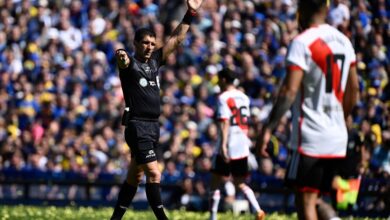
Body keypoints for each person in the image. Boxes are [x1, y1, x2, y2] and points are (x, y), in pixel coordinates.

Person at [256, 0, 360, 220]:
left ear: (302, 10)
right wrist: (341, 119)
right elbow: (354, 92)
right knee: (315, 198)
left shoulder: (302, 42)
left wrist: (267, 129)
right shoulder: (344, 41)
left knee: (305, 201)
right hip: (337, 136)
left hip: (310, 137)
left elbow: (288, 92)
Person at [110, 1, 203, 219]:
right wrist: (122, 55)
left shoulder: (154, 63)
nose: (150, 46)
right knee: (154, 173)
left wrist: (190, 13)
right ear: (136, 44)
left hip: (153, 127)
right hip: (137, 125)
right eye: (145, 43)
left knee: (135, 176)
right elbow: (122, 60)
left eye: (153, 43)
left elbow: (178, 38)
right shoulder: (131, 65)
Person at [209, 68, 265, 220]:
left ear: (224, 80)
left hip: (228, 143)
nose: (218, 83)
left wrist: (223, 146)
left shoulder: (223, 97)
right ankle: (257, 209)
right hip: (242, 145)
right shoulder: (244, 97)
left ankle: (212, 216)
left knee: (215, 181)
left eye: (219, 80)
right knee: (240, 182)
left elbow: (225, 122)